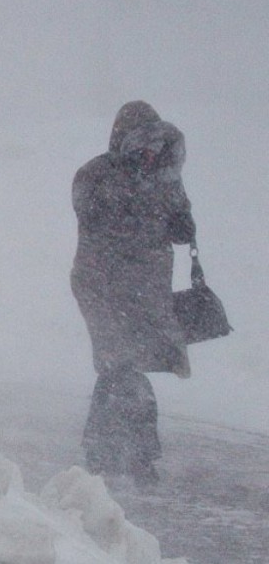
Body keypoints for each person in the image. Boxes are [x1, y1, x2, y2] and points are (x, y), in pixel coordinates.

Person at [70, 100, 196, 488]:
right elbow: (94, 221)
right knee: (119, 364)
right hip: (101, 285)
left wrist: (177, 212)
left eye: (156, 145)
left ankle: (110, 455)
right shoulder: (96, 173)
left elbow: (181, 230)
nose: (150, 152)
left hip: (144, 289)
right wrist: (139, 200)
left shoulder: (163, 179)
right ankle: (131, 456)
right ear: (123, 138)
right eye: (143, 144)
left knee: (124, 366)